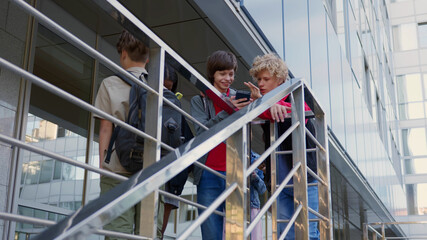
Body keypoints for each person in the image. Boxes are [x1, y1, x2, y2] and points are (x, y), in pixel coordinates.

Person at [246, 53, 319, 239]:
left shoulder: (297, 94)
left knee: (308, 233)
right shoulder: (266, 102)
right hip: (278, 181)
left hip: (304, 178)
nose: (260, 83)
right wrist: (263, 104)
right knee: (284, 234)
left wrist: (269, 104)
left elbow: (296, 114)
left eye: (266, 79)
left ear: (279, 80)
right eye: (259, 79)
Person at [94, 30, 149, 239]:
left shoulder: (109, 83)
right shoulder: (157, 88)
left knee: (117, 232)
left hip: (117, 166)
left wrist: (103, 165)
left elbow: (106, 127)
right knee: (149, 232)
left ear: (123, 53)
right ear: (149, 57)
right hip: (151, 168)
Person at [190, 50, 250, 240]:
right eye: (222, 74)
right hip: (207, 173)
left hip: (235, 172)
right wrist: (228, 110)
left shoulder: (241, 98)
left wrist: (256, 102)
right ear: (212, 75)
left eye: (231, 73)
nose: (228, 78)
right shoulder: (199, 100)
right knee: (210, 233)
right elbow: (201, 132)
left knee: (237, 234)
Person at [249, 151, 267, 240]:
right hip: (232, 204)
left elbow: (262, 189)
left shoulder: (257, 158)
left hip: (252, 205)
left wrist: (255, 177)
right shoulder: (229, 153)